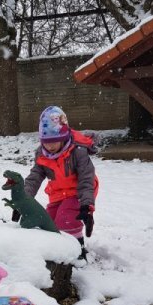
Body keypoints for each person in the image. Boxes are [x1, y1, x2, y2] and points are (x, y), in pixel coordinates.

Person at [24, 106, 99, 261]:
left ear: (64, 137)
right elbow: (34, 177)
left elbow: (86, 179)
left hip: (79, 192)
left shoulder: (78, 151)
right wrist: (23, 199)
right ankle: (56, 252)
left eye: (54, 141)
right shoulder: (42, 154)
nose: (50, 146)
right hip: (58, 193)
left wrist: (87, 205)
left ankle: (78, 250)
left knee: (66, 219)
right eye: (46, 142)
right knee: (48, 223)